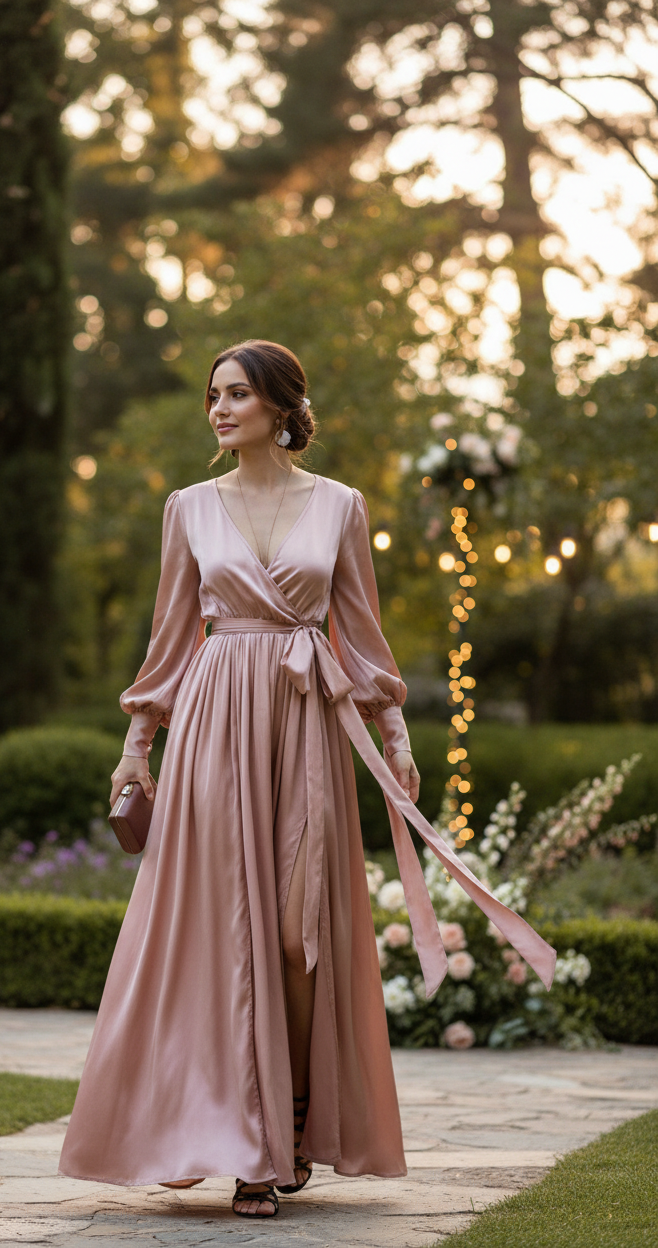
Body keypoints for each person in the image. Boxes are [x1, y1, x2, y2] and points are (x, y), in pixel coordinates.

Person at [59, 339, 555, 1219]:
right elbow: (172, 641)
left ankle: (292, 1114)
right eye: (214, 395)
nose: (219, 409)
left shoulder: (341, 507)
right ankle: (256, 1146)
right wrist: (137, 746)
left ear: (282, 406)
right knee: (228, 933)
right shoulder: (187, 509)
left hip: (309, 724)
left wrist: (395, 732)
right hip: (214, 727)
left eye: (238, 394)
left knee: (298, 934)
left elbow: (360, 631)